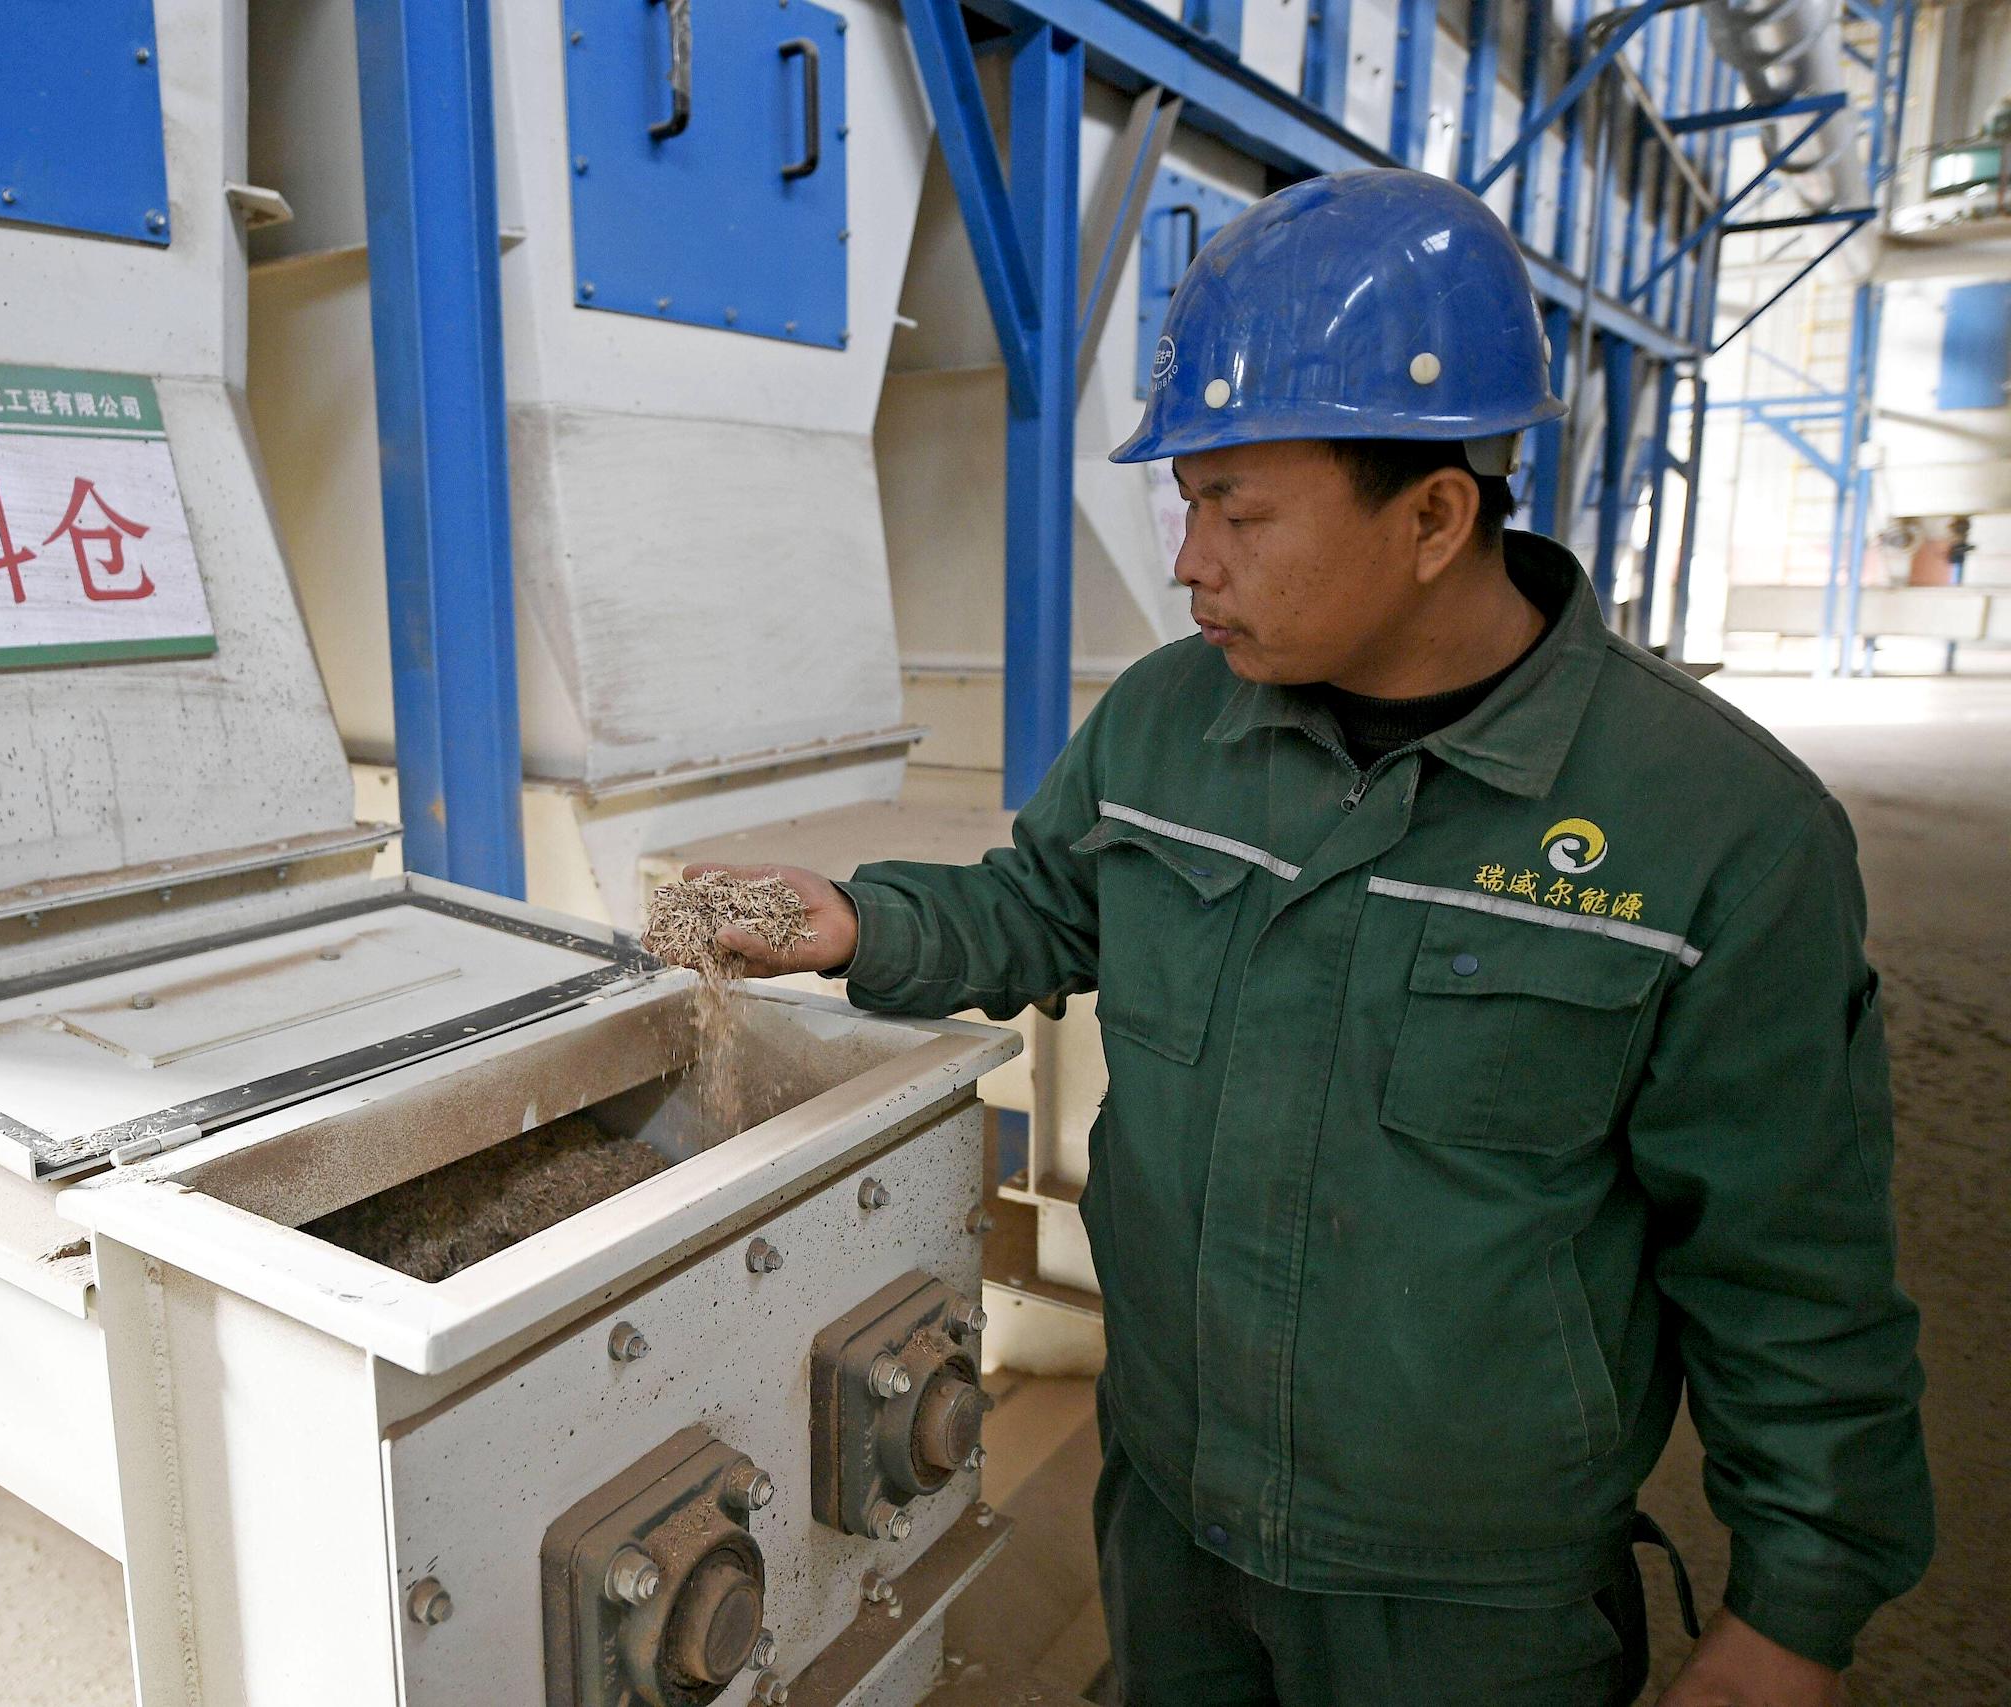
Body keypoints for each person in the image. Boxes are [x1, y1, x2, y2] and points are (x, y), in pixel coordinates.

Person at [697, 170, 1930, 1706]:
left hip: (1467, 1599)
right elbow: (1046, 906)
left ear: (1432, 516)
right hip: (1172, 1511)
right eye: (1186, 500)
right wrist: (858, 919)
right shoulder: (1167, 726)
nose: (1191, 561)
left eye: (1238, 510)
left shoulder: (1716, 834)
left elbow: (1789, 1266)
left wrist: (1793, 1612)